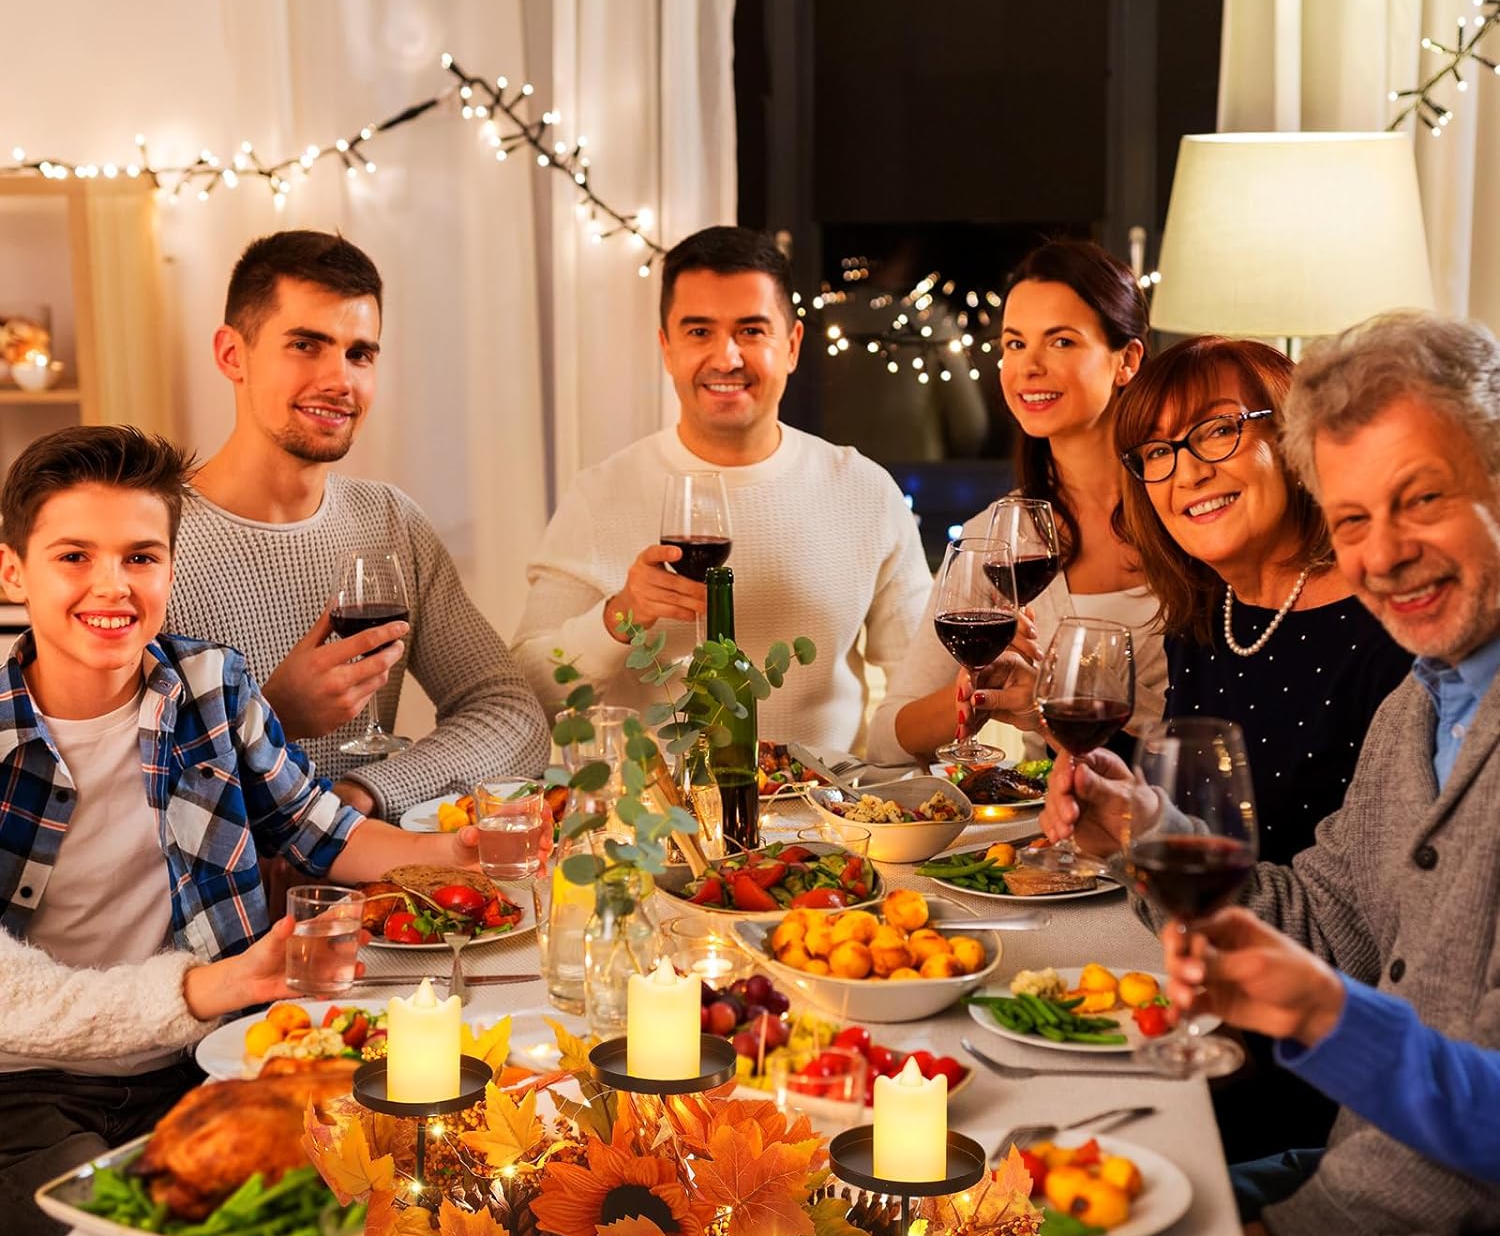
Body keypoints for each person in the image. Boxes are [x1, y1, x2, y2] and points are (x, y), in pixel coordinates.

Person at [1044, 310, 1500, 1236]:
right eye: (1352, 517)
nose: (1382, 553)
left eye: (1422, 497)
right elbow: (1326, 918)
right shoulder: (1420, 707)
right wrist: (1146, 829)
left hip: (1462, 1234)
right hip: (1368, 1169)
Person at [0, 425, 489, 1236]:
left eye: (141, 557)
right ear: (14, 571)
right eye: (74, 556)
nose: (111, 586)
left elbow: (324, 832)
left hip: (206, 1064)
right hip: (31, 1095)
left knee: (400, 1196)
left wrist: (465, 857)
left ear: (170, 569)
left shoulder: (209, 687)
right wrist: (219, 982)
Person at [166, 230, 549, 821]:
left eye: (359, 353)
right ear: (231, 354)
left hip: (370, 901)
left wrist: (361, 797)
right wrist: (272, 717)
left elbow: (511, 715)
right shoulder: (148, 541)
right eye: (305, 344)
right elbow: (107, 785)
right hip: (220, 907)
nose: (339, 380)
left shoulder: (391, 522)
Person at [512, 225, 932, 753]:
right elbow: (528, 694)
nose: (727, 358)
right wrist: (620, 617)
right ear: (666, 348)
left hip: (827, 820)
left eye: (752, 331)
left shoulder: (864, 492)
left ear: (793, 345)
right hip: (656, 825)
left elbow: (921, 687)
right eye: (699, 332)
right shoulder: (600, 494)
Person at [867, 239, 1166, 764]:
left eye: (1062, 342)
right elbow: (887, 740)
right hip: (1058, 834)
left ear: (1128, 359)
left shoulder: (1188, 507)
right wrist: (978, 691)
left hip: (1192, 819)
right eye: (1014, 344)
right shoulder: (996, 540)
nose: (1028, 367)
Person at [1115, 336, 1409, 863]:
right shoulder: (1203, 617)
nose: (1189, 472)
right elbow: (1196, 815)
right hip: (1209, 930)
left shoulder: (1389, 629)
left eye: (1219, 430)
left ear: (1296, 439)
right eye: (1159, 451)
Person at [1162, 907, 1500, 1185]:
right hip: (1356, 1160)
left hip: (1442, 1220)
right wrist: (1318, 1011)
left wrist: (1324, 1016)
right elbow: (1323, 919)